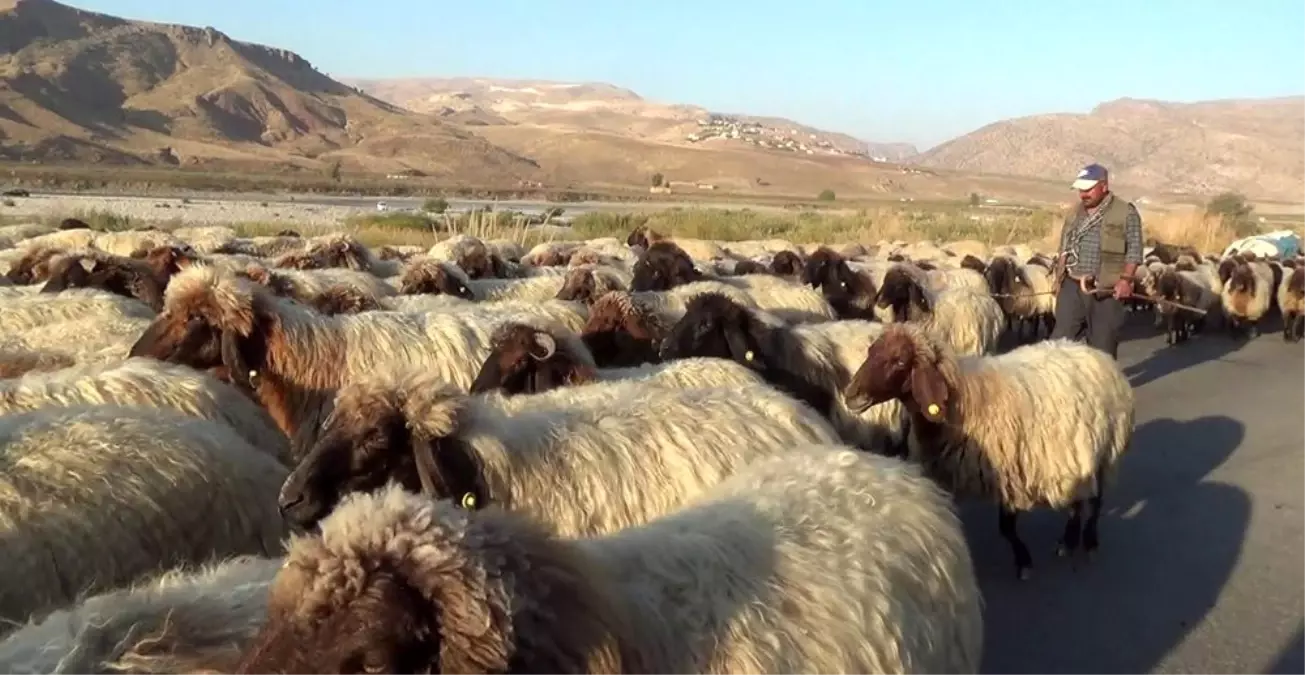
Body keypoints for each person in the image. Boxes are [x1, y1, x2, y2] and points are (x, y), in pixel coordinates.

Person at [1050, 163, 1144, 359]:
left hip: (1105, 291)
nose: (1084, 194)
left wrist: (1126, 280)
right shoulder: (1074, 213)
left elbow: (1134, 250)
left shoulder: (1126, 213)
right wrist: (1058, 279)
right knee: (1059, 346)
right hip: (1072, 287)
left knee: (1102, 350)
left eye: (1088, 189)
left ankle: (1103, 388)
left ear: (1104, 185)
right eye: (1080, 190)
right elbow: (1064, 247)